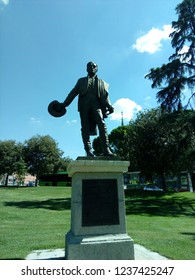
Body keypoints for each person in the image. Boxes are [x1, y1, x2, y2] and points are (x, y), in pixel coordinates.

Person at [62, 61, 114, 157]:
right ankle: (88, 150)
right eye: (89, 66)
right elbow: (73, 92)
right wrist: (65, 104)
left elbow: (106, 96)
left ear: (97, 68)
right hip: (84, 105)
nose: (92, 68)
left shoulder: (102, 82)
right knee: (85, 127)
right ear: (86, 69)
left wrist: (110, 106)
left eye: (94, 66)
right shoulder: (81, 81)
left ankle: (106, 149)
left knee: (102, 124)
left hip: (96, 105)